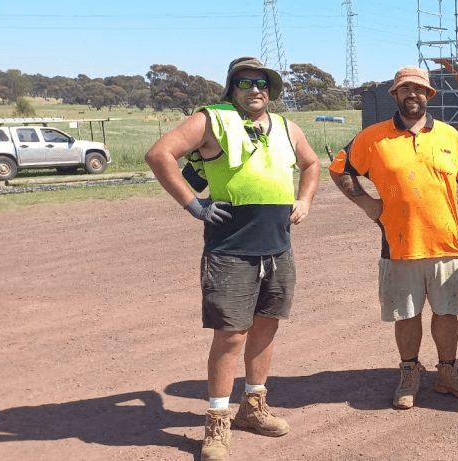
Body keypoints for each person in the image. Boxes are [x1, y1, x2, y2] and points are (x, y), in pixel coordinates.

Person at [144, 56, 321, 461]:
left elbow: (312, 164)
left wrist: (306, 198)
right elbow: (160, 154)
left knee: (265, 328)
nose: (254, 89)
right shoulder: (211, 120)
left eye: (262, 82)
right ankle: (217, 424)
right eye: (244, 83)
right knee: (231, 336)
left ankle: (253, 407)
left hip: (278, 246)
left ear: (271, 90)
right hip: (231, 248)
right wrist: (194, 205)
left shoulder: (286, 127)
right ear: (231, 88)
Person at [328, 65, 458, 410]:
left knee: (446, 312)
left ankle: (447, 373)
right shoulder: (373, 137)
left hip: (446, 245)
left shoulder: (449, 136)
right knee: (407, 314)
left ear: (429, 95)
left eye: (419, 90)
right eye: (405, 89)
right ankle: (410, 372)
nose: (412, 95)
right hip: (399, 244)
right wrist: (368, 204)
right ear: (395, 95)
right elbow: (340, 169)